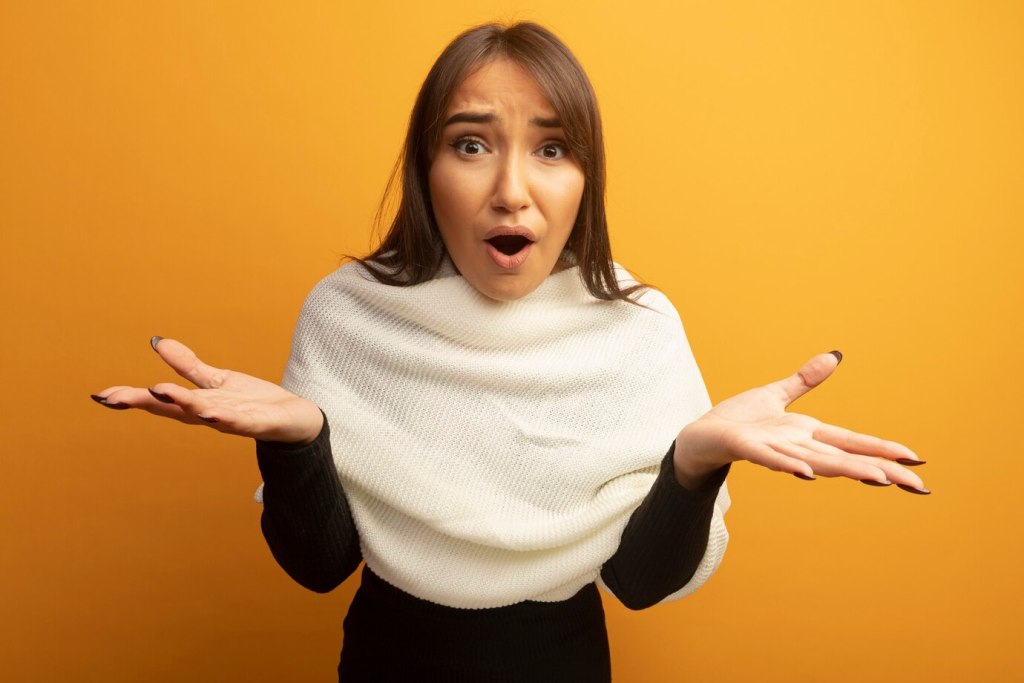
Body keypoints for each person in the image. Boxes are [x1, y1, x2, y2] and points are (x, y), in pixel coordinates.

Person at [92, 21, 929, 682]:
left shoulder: (636, 330)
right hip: (384, 664)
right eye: (471, 143)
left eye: (553, 148)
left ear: (586, 179)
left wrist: (693, 462)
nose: (512, 190)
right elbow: (320, 568)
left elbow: (638, 584)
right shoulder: (346, 314)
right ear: (425, 171)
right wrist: (298, 444)